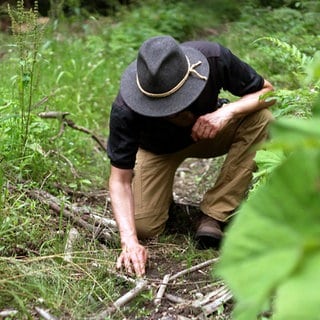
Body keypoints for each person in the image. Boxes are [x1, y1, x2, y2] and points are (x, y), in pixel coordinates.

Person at [107, 35, 275, 276]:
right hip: (157, 150)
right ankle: (162, 201)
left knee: (263, 121)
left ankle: (214, 214)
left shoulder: (214, 58)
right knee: (144, 226)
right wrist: (129, 241)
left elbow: (268, 92)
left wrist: (227, 112)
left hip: (209, 130)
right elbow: (119, 179)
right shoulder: (125, 109)